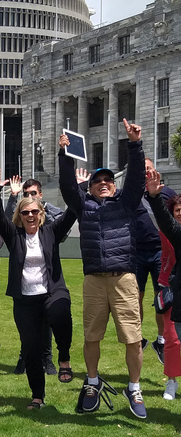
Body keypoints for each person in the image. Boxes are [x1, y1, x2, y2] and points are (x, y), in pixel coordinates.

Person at [59, 118, 147, 419]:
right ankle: (92, 382)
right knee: (91, 336)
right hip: (94, 281)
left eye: (109, 180)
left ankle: (133, 388)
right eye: (98, 181)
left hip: (123, 278)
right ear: (92, 187)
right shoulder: (84, 207)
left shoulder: (127, 203)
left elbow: (136, 179)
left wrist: (135, 144)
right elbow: (67, 187)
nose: (104, 183)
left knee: (133, 338)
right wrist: (65, 156)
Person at [0, 165, 77, 407]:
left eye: (34, 212)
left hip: (51, 291)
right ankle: (37, 396)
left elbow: (72, 213)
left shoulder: (51, 232)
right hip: (25, 299)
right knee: (31, 350)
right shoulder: (14, 235)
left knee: (60, 310)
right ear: (20, 215)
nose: (30, 216)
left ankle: (64, 359)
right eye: (25, 212)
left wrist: (75, 187)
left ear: (41, 213)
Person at [4, 176, 65, 375]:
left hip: (46, 288)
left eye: (33, 194)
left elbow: (67, 217)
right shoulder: (16, 233)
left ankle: (47, 359)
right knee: (26, 330)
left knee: (46, 326)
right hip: (23, 292)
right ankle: (25, 357)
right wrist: (11, 196)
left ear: (40, 196)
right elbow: (3, 220)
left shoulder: (49, 227)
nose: (30, 198)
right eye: (26, 195)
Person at [145, 171, 181, 400]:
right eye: (178, 211)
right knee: (173, 339)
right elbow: (166, 260)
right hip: (174, 289)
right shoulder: (172, 232)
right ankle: (172, 380)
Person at [136, 158, 176, 361]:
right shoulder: (133, 194)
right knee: (136, 298)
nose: (146, 173)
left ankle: (161, 340)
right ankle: (138, 339)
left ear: (155, 170)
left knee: (163, 298)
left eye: (148, 169)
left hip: (162, 252)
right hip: (137, 252)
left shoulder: (167, 192)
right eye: (142, 171)